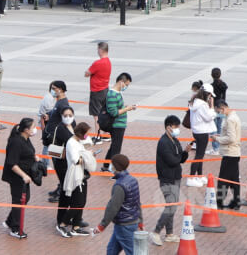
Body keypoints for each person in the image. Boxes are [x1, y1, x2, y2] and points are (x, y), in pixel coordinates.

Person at [151, 115, 193, 246]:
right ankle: (156, 231)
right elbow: (173, 160)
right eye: (175, 127)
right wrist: (180, 156)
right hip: (167, 177)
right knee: (171, 207)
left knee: (171, 205)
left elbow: (180, 160)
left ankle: (169, 233)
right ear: (168, 127)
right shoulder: (163, 142)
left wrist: (185, 152)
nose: (177, 129)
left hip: (176, 176)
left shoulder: (175, 140)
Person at [92, 154, 142, 254]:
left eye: (112, 164)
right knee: (111, 250)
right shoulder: (132, 180)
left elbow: (113, 207)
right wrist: (140, 221)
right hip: (131, 221)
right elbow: (137, 203)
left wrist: (102, 225)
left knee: (132, 252)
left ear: (116, 166)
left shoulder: (119, 185)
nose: (110, 166)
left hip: (124, 225)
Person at [2, 118, 37, 239]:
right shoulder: (16, 142)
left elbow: (28, 152)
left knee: (25, 199)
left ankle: (9, 221)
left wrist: (35, 158)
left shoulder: (26, 139)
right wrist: (24, 175)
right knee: (18, 201)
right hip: (17, 177)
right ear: (26, 130)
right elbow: (12, 163)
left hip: (24, 176)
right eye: (33, 127)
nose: (34, 129)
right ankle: (15, 228)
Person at [60, 119, 96, 237]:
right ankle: (63, 224)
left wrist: (87, 155)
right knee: (77, 202)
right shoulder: (71, 143)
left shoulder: (79, 141)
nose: (87, 136)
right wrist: (88, 156)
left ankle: (76, 226)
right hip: (76, 175)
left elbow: (83, 154)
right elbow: (76, 160)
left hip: (82, 174)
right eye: (86, 133)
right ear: (80, 133)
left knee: (82, 201)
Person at [102, 73, 135, 172]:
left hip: (119, 124)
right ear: (121, 82)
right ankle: (114, 170)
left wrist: (126, 108)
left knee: (114, 146)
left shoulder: (117, 93)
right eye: (126, 85)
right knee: (116, 149)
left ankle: (106, 166)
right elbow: (114, 113)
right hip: (117, 125)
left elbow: (117, 108)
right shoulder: (112, 94)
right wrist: (127, 109)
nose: (126, 87)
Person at [212, 100, 241, 209]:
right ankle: (236, 202)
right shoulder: (234, 117)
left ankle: (219, 202)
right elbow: (230, 135)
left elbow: (231, 138)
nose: (219, 113)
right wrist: (221, 135)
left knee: (223, 179)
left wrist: (217, 138)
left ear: (222, 108)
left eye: (218, 111)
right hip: (234, 153)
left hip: (230, 153)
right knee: (234, 179)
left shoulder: (230, 119)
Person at [54, 106, 77, 235]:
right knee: (65, 189)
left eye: (70, 115)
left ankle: (72, 217)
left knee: (73, 190)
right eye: (65, 115)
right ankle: (61, 218)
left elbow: (82, 136)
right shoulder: (60, 128)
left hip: (72, 162)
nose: (68, 117)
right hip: (62, 163)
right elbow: (72, 142)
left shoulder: (74, 125)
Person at [187, 83, 216, 186]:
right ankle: (191, 178)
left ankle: (199, 176)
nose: (210, 97)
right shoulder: (202, 105)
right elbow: (209, 117)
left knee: (200, 154)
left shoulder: (195, 102)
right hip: (202, 132)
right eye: (210, 95)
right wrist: (212, 106)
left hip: (196, 131)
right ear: (207, 94)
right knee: (199, 155)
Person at [85, 42, 112, 143]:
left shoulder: (98, 63)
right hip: (105, 89)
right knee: (104, 113)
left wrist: (87, 73)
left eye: (97, 49)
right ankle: (106, 134)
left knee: (96, 115)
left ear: (101, 50)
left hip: (96, 91)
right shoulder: (108, 62)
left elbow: (87, 73)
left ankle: (98, 136)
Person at [209, 68, 228, 155]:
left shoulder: (211, 86)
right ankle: (220, 147)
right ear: (220, 75)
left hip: (214, 108)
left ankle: (215, 148)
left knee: (213, 127)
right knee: (220, 127)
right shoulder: (223, 85)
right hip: (222, 108)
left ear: (211, 75)